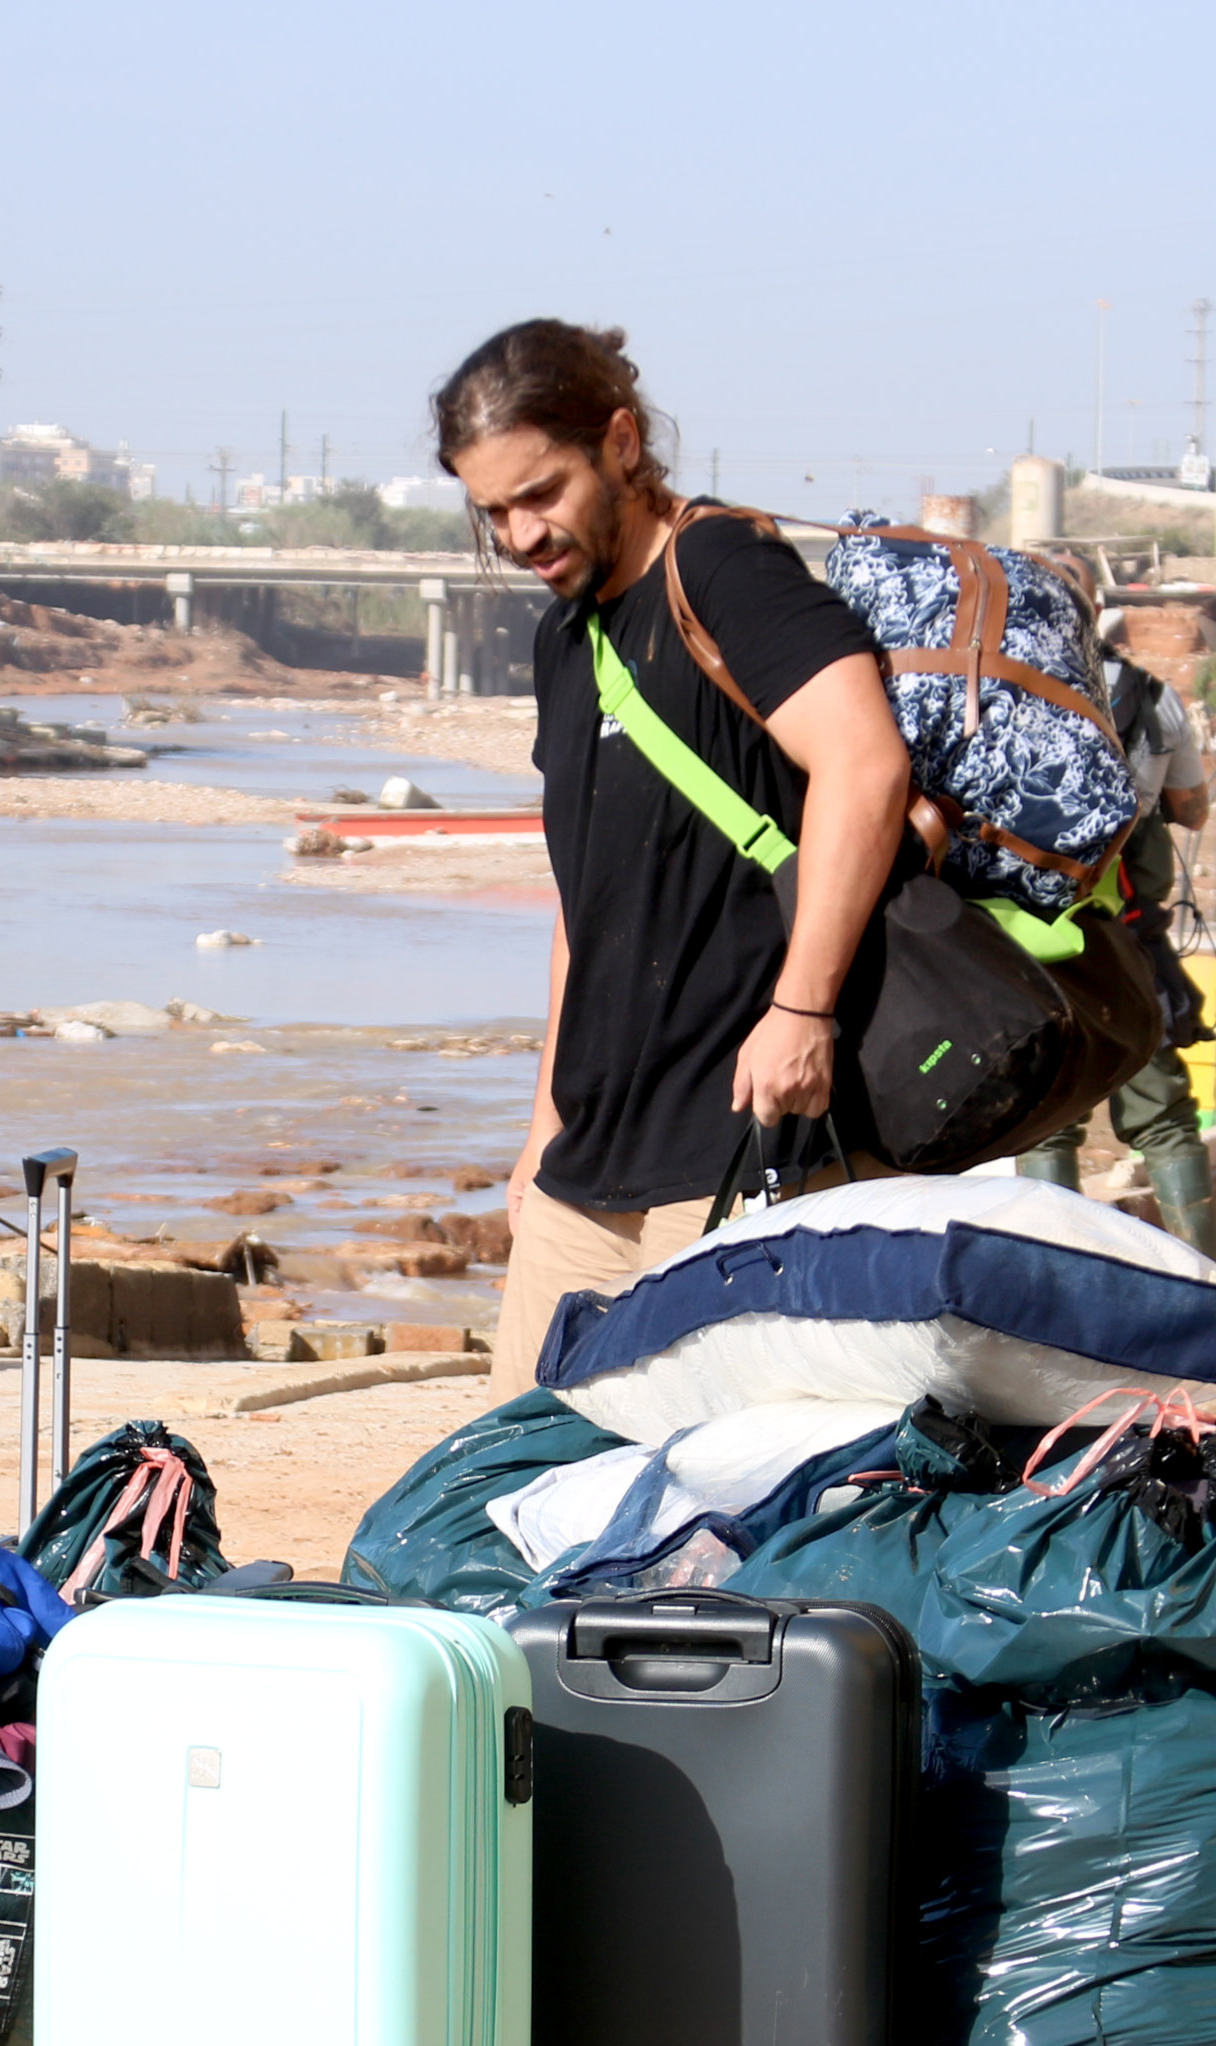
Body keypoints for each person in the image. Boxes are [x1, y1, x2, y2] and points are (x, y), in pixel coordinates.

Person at [433, 320, 915, 1387]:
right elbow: (586, 907)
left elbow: (864, 765)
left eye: (541, 493)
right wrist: (542, 1127)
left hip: (737, 1144)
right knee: (498, 1490)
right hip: (587, 1161)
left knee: (686, 1507)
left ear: (620, 441)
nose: (520, 535)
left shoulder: (722, 569)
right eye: (493, 511)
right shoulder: (566, 639)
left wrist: (802, 1010)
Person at [1013, 607, 1216, 1256]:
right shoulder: (1154, 700)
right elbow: (1190, 808)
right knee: (1163, 1119)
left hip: (1031, 937)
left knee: (1047, 1122)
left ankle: (1059, 1285)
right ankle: (1206, 1280)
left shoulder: (1010, 690)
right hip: (1127, 940)